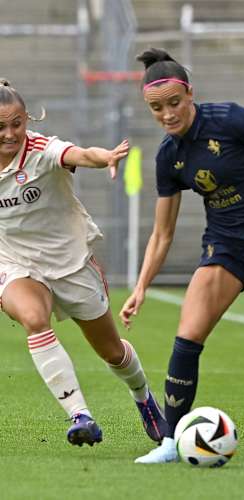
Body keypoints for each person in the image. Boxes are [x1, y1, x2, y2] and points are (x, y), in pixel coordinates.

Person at [120, 48, 244, 464]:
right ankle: (171, 441)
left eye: (174, 103)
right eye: (157, 108)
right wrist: (140, 287)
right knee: (187, 337)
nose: (167, 114)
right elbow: (163, 232)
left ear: (190, 94)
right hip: (225, 247)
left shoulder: (229, 119)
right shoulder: (168, 157)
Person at [0, 79, 167, 448]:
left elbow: (77, 153)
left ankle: (143, 397)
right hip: (14, 262)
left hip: (70, 262)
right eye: (1, 127)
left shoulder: (41, 150)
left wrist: (103, 157)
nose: (10, 134)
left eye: (17, 123)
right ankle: (81, 415)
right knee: (32, 317)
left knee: (112, 352)